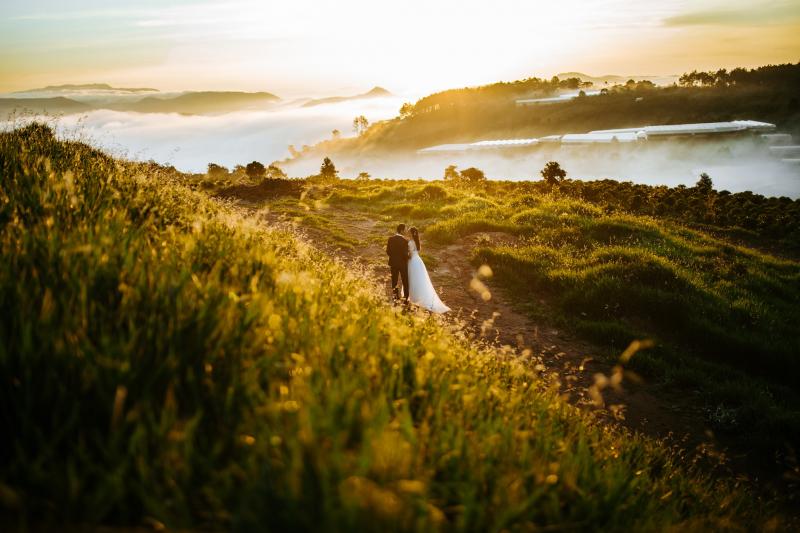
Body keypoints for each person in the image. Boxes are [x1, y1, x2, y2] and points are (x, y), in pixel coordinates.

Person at [406, 227, 450, 313]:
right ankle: (418, 297)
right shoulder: (417, 242)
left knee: (412, 279)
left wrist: (405, 256)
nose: (407, 233)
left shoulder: (410, 242)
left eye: (408, 232)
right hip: (418, 261)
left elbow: (410, 253)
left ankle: (414, 298)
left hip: (412, 261)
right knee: (419, 280)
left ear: (411, 233)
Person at [386, 223, 410, 302]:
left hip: (393, 263)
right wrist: (408, 257)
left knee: (394, 280)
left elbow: (388, 252)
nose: (406, 231)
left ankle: (395, 297)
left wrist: (394, 257)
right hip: (402, 263)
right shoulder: (405, 240)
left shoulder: (390, 239)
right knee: (405, 280)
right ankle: (406, 297)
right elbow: (405, 254)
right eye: (405, 229)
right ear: (402, 230)